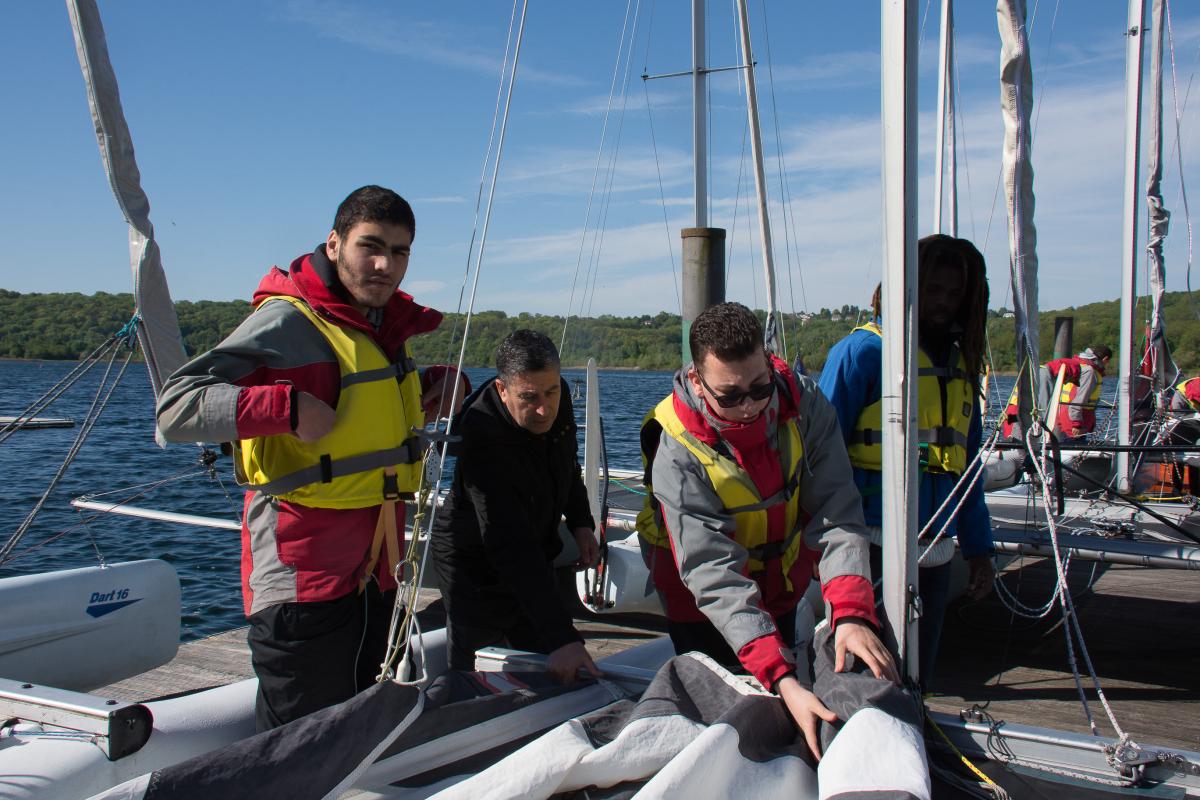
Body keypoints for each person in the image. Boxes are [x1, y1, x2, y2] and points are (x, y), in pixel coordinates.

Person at [156, 185, 462, 730]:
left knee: (361, 724)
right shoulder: (290, 321)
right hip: (303, 578)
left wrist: (435, 384)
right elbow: (175, 409)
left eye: (399, 252)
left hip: (376, 573)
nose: (384, 265)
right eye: (370, 246)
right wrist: (286, 407)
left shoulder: (382, 324)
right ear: (334, 243)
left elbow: (359, 402)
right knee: (300, 740)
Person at [637, 302, 898, 760]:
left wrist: (851, 614)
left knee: (788, 693)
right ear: (696, 380)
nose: (750, 405)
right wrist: (781, 678)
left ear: (769, 362)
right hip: (698, 595)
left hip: (779, 579)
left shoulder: (805, 403)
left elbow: (836, 510)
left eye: (761, 387)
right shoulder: (675, 447)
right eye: (730, 396)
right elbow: (712, 572)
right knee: (726, 710)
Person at [818, 234, 996, 691]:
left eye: (954, 293)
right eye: (933, 289)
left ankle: (916, 722)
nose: (943, 302)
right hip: (867, 548)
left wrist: (979, 550)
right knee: (863, 679)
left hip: (934, 553)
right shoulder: (862, 353)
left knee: (919, 678)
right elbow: (817, 452)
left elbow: (967, 470)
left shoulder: (960, 366)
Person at [431, 330, 601, 684]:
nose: (543, 409)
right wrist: (563, 637)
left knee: (542, 655)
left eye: (551, 392)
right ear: (502, 389)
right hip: (474, 561)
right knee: (474, 669)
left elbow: (567, 464)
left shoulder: (557, 396)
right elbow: (509, 543)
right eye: (529, 397)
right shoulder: (481, 437)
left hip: (533, 544)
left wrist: (581, 522)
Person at [1042, 346, 1112, 439]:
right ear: (1105, 359)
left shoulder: (1080, 366)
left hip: (1065, 415)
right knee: (1073, 444)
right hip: (1074, 421)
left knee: (1063, 443)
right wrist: (1077, 424)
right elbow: (1077, 401)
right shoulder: (1089, 372)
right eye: (1108, 361)